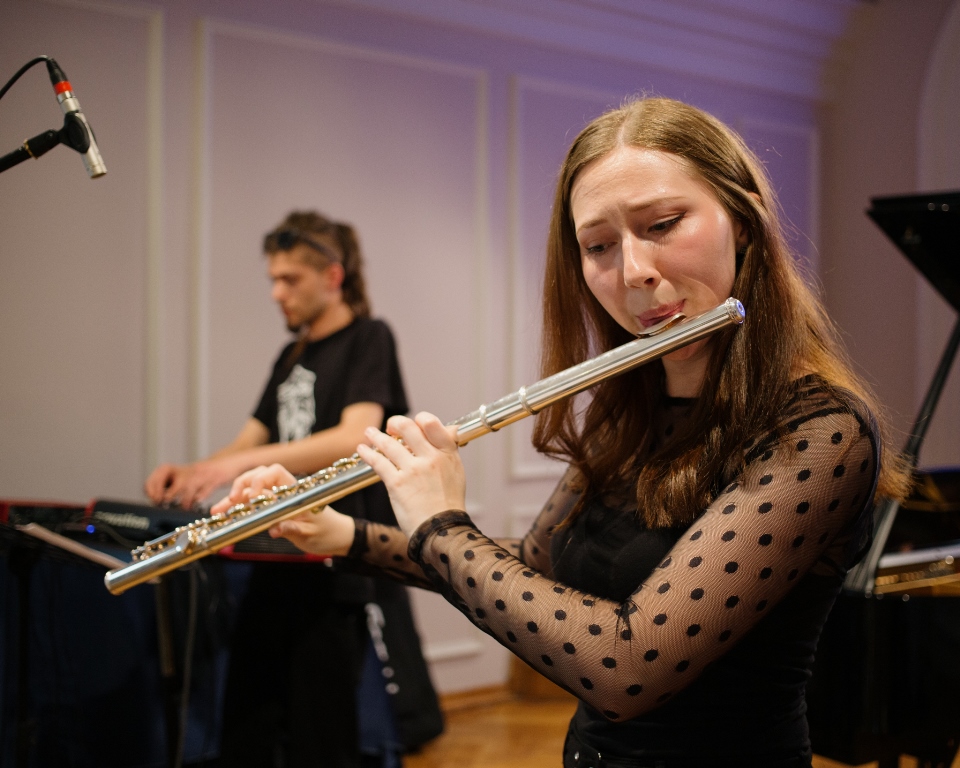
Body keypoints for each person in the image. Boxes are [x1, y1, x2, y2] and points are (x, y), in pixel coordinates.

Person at [214, 99, 911, 768]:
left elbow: (629, 665)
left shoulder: (821, 433)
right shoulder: (629, 414)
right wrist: (342, 534)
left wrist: (441, 525)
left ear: (745, 223)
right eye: (599, 245)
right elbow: (535, 566)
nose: (634, 271)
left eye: (663, 224)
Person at [148, 211, 441, 767]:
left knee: (323, 733)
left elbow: (355, 436)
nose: (277, 293)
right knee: (249, 722)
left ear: (332, 276)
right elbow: (250, 440)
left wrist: (232, 467)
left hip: (338, 566)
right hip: (278, 553)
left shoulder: (369, 338)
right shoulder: (291, 356)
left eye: (289, 279)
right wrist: (194, 471)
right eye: (273, 280)